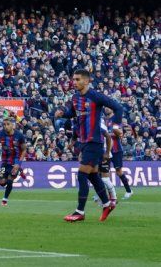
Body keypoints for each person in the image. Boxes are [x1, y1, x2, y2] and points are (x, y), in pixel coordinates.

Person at [56, 69, 124, 222]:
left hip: (94, 141)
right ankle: (107, 204)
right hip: (84, 142)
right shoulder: (75, 98)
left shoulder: (95, 96)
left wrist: (115, 125)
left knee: (82, 175)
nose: (74, 82)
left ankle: (79, 211)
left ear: (86, 81)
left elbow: (118, 107)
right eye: (73, 79)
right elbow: (73, 113)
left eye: (78, 79)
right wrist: (63, 114)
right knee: (93, 175)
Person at [0, 116, 26, 206]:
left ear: (13, 125)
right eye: (4, 125)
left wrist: (18, 164)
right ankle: (20, 171)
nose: (5, 126)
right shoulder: (0, 134)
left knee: (9, 181)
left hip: (15, 161)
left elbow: (24, 150)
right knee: (2, 183)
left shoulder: (19, 135)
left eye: (8, 124)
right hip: (5, 162)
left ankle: (5, 199)